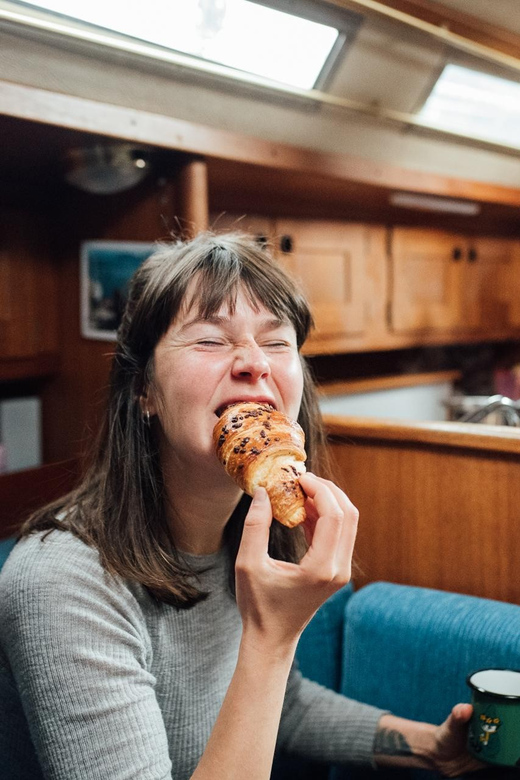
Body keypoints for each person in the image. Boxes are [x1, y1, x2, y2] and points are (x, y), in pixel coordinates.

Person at [0, 233, 481, 780]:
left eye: (278, 343)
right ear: (144, 391)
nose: (255, 363)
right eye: (209, 340)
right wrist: (271, 639)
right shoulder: (62, 582)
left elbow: (284, 705)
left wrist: (430, 746)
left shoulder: (242, 533)